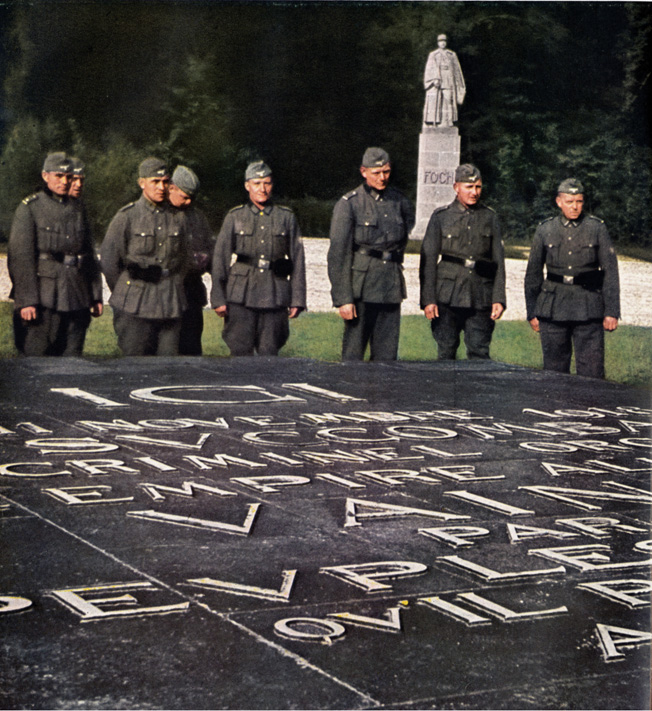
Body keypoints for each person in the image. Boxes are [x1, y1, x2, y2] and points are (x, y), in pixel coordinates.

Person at [8, 151, 103, 356]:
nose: (65, 181)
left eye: (68, 177)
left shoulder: (79, 208)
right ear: (45, 176)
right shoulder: (30, 208)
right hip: (44, 297)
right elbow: (21, 257)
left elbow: (89, 255)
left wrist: (95, 295)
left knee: (72, 357)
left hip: (76, 294)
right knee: (38, 356)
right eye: (58, 176)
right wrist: (27, 300)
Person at [524, 178, 620, 379]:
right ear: (559, 202)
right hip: (553, 308)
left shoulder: (596, 228)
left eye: (579, 201)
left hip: (588, 307)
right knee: (554, 371)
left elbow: (610, 272)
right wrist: (532, 311)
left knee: (592, 372)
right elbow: (533, 274)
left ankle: (592, 411)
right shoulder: (545, 229)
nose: (575, 207)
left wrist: (611, 311)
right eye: (569, 202)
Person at [327, 147, 414, 361]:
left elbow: (402, 239)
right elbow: (338, 254)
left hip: (390, 286)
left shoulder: (399, 202)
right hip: (361, 289)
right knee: (353, 356)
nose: (382, 177)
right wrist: (343, 299)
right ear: (364, 172)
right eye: (376, 173)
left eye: (386, 171)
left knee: (387, 358)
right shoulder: (350, 203)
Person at [210, 161, 306, 356]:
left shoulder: (286, 217)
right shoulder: (235, 216)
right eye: (257, 183)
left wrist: (297, 299)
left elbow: (298, 259)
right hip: (241, 295)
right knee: (239, 351)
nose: (262, 189)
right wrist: (218, 297)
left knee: (269, 352)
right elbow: (220, 258)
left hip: (274, 293)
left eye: (267, 183)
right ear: (247, 186)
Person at [100, 157, 189, 356]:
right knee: (135, 363)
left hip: (169, 301)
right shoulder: (127, 217)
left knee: (168, 364)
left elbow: (184, 260)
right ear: (142, 183)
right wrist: (128, 288)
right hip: (135, 303)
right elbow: (109, 260)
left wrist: (172, 284)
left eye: (165, 182)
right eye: (155, 182)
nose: (161, 187)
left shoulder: (178, 218)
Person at [419, 163, 506, 360]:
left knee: (479, 352)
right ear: (456, 187)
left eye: (478, 187)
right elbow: (429, 260)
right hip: (446, 295)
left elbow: (498, 262)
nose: (474, 192)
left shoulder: (489, 217)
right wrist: (428, 299)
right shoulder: (441, 216)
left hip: (480, 295)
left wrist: (498, 298)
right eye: (469, 187)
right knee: (446, 351)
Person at [168, 165, 215, 355]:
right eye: (185, 197)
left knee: (192, 350)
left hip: (192, 294)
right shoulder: (161, 215)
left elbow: (210, 251)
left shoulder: (198, 217)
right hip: (166, 293)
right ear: (171, 188)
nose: (188, 202)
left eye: (192, 198)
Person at [423, 34, 466, 128]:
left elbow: (457, 70)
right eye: (440, 41)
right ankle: (435, 122)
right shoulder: (433, 54)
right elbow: (429, 68)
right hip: (437, 81)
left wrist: (459, 84)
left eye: (444, 41)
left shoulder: (452, 55)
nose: (442, 43)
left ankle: (448, 121)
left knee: (449, 100)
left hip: (448, 80)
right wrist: (434, 79)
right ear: (438, 43)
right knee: (436, 101)